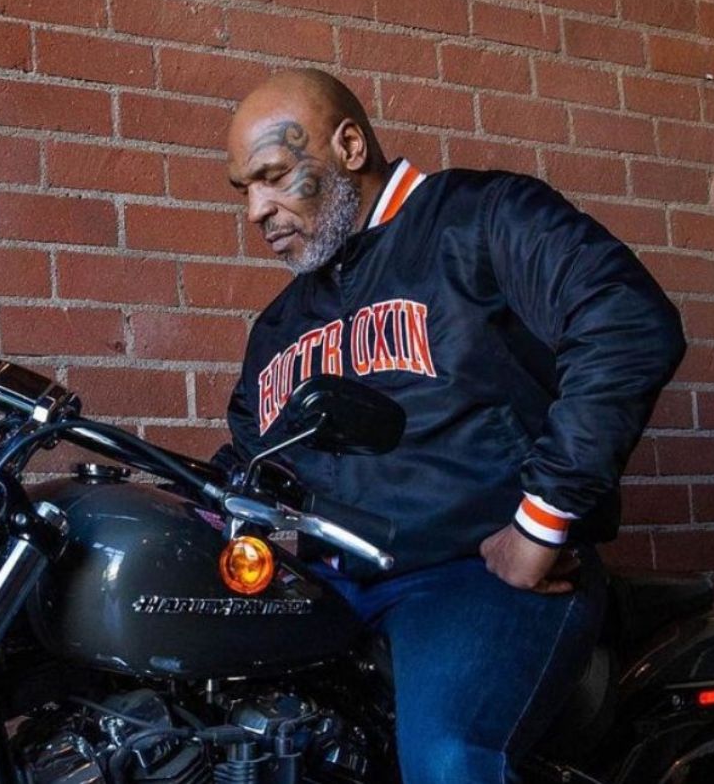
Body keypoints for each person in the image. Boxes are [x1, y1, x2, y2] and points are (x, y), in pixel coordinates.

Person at [213, 68, 686, 783]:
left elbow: (626, 319)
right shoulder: (280, 326)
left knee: (445, 760)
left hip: (474, 572)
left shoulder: (482, 218)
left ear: (348, 146)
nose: (257, 209)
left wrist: (541, 522)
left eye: (274, 176)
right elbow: (254, 461)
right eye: (244, 189)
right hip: (333, 587)